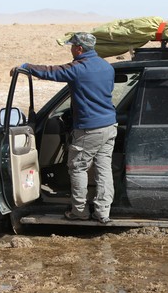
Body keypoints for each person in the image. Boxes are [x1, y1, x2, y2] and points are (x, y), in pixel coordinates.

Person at [15, 32, 117, 224]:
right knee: (104, 169)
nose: (70, 49)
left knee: (78, 168)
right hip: (109, 126)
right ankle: (103, 212)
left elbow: (52, 72)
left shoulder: (79, 68)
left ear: (79, 49)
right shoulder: (107, 67)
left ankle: (79, 211)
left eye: (72, 46)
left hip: (89, 128)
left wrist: (27, 67)